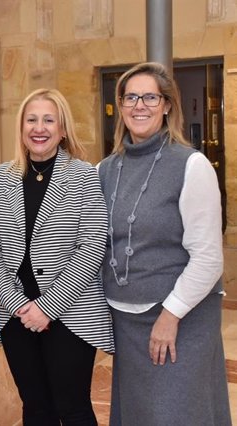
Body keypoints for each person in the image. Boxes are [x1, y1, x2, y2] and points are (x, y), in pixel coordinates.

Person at [97, 62, 231, 425]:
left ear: (168, 105)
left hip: (180, 319)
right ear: (120, 106)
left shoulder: (192, 165)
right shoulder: (105, 169)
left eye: (150, 97)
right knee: (139, 414)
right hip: (125, 321)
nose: (140, 106)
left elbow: (207, 257)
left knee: (178, 412)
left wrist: (170, 315)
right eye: (130, 97)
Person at [0, 88, 114, 425]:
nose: (39, 128)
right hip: (17, 316)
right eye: (31, 119)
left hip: (71, 315)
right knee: (35, 408)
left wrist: (47, 307)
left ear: (63, 129)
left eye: (48, 120)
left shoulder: (84, 175)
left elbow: (92, 246)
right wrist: (16, 303)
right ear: (21, 127)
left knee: (73, 408)